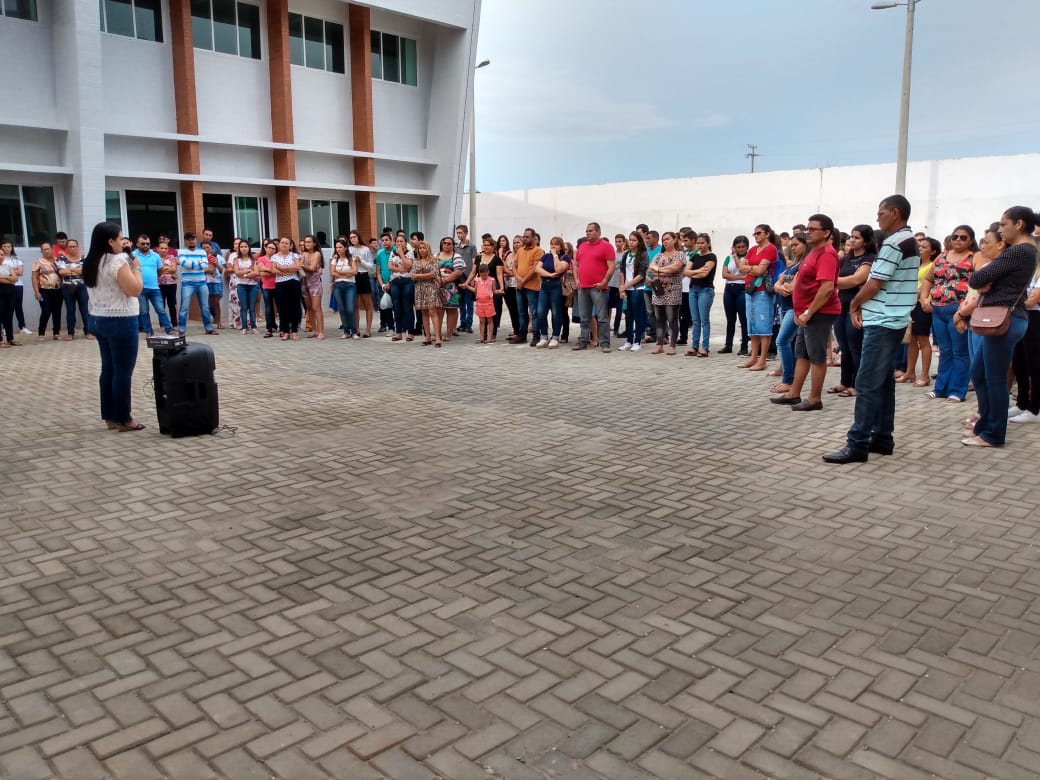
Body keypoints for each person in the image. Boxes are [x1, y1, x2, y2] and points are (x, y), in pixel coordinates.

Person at [823, 195, 920, 463]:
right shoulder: (907, 240)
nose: (877, 218)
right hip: (892, 318)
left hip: (883, 320)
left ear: (895, 213)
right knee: (884, 382)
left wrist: (855, 304)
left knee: (866, 382)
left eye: (881, 213)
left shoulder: (895, 242)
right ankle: (882, 438)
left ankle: (857, 444)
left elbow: (875, 282)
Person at [957, 206, 1038, 447]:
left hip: (1005, 319)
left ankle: (993, 433)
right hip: (1007, 317)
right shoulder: (1025, 251)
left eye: (1003, 224)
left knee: (994, 378)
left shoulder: (1019, 251)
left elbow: (977, 278)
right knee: (979, 373)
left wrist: (985, 281)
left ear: (1019, 224)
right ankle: (984, 424)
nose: (1000, 230)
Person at [770, 215, 841, 411]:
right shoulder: (813, 252)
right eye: (807, 229)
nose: (808, 232)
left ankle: (814, 398)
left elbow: (827, 288)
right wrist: (800, 310)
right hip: (805, 313)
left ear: (826, 233)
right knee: (802, 353)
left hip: (819, 313)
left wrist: (808, 312)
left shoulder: (826, 254)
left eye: (813, 229)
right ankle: (794, 393)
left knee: (817, 356)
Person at [83, 222, 144, 431]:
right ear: (110, 241)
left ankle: (110, 416)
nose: (122, 242)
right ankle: (124, 419)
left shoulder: (91, 260)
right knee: (123, 371)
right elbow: (134, 290)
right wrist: (136, 268)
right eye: (120, 239)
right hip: (121, 320)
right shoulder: (117, 261)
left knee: (108, 368)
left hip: (98, 318)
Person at [920, 225, 977, 403]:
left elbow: (978, 285)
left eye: (963, 237)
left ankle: (957, 390)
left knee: (960, 351)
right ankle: (940, 388)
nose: (958, 240)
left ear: (971, 240)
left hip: (958, 310)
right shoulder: (942, 256)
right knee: (945, 351)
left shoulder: (973, 257)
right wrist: (924, 298)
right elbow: (928, 279)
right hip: (937, 309)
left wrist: (965, 311)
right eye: (955, 236)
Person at [830, 225, 876, 397]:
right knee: (844, 347)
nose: (852, 240)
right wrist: (839, 281)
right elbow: (839, 278)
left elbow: (858, 279)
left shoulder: (870, 258)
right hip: (841, 305)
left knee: (855, 346)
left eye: (857, 237)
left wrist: (833, 282)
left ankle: (857, 384)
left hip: (857, 308)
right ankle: (844, 382)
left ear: (866, 241)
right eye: (851, 236)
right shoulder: (846, 258)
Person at [739, 225, 780, 370]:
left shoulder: (770, 249)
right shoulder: (752, 249)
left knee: (763, 325)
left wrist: (750, 268)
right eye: (754, 233)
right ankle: (753, 357)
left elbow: (761, 270)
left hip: (763, 290)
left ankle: (762, 360)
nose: (756, 236)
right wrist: (753, 269)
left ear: (767, 234)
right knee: (752, 324)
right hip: (750, 289)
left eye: (759, 233)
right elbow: (741, 267)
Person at [572, 222, 616, 353]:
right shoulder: (582, 247)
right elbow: (576, 265)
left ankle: (605, 343)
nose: (588, 233)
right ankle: (583, 341)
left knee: (602, 317)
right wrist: (577, 279)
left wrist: (604, 282)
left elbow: (612, 266)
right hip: (583, 287)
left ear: (599, 232)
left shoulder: (606, 246)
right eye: (587, 231)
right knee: (584, 317)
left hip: (598, 287)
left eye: (591, 230)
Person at [771, 232, 807, 394]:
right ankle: (789, 378)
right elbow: (778, 283)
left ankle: (788, 380)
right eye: (791, 245)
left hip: (795, 307)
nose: (793, 248)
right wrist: (779, 287)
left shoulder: (804, 264)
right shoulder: (793, 263)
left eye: (796, 245)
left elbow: (791, 288)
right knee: (789, 342)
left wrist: (780, 287)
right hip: (784, 306)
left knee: (782, 340)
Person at [1008, 250, 1040, 424]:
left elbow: (1031, 301)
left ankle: (1035, 409)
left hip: (1036, 319)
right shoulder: (1030, 270)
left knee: (1035, 365)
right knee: (1019, 362)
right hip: (1023, 316)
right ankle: (1022, 403)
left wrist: (1013, 301)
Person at [902, 236, 937, 386]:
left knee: (923, 340)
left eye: (924, 247)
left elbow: (927, 286)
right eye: (919, 246)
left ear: (933, 251)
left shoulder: (932, 266)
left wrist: (915, 294)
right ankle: (910, 372)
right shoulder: (916, 264)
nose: (920, 249)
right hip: (910, 304)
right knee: (911, 339)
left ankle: (924, 375)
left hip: (922, 304)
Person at [647, 231, 685, 355]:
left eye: (668, 239)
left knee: (672, 318)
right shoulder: (659, 255)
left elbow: (675, 268)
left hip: (673, 290)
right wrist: (663, 271)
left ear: (674, 239)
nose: (665, 242)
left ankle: (672, 345)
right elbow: (650, 268)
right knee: (659, 318)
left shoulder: (680, 255)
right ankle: (659, 345)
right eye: (663, 240)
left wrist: (658, 270)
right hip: (659, 290)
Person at [177, 232, 217, 336]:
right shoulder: (181, 251)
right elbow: (184, 264)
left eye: (193, 239)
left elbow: (205, 265)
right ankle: (182, 330)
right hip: (187, 283)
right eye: (189, 239)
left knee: (205, 307)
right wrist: (199, 263)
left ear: (196, 240)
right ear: (185, 241)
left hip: (202, 282)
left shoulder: (202, 251)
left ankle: (209, 329)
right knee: (184, 307)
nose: (191, 241)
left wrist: (193, 264)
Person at [133, 234, 174, 336]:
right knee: (144, 312)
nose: (146, 245)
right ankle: (149, 332)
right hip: (140, 288)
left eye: (148, 243)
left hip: (154, 288)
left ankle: (169, 329)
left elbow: (160, 270)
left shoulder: (155, 256)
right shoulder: (133, 255)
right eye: (143, 243)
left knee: (160, 310)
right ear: (137, 244)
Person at [684, 233, 717, 357]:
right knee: (695, 320)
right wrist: (697, 271)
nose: (700, 245)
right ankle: (694, 346)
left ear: (708, 243)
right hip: (693, 289)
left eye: (702, 243)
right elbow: (685, 272)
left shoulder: (711, 257)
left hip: (705, 290)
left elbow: (704, 274)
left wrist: (692, 273)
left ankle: (705, 347)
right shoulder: (695, 256)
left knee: (704, 320)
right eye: (698, 243)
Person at [534, 236, 569, 349]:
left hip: (556, 286)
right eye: (552, 244)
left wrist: (555, 255)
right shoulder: (545, 256)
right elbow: (537, 269)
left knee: (556, 312)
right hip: (544, 285)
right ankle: (544, 336)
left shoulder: (565, 257)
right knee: (540, 312)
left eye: (556, 244)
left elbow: (559, 269)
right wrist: (549, 274)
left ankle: (555, 337)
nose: (553, 246)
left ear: (561, 246)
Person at [511, 228, 543, 345]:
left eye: (527, 237)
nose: (525, 239)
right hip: (520, 287)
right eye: (524, 237)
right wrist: (518, 278)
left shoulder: (538, 251)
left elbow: (535, 269)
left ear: (534, 238)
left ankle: (536, 335)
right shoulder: (520, 251)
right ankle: (522, 335)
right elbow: (514, 265)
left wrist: (523, 280)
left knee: (534, 312)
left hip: (532, 287)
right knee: (521, 312)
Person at [618, 231, 648, 352]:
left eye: (634, 240)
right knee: (628, 315)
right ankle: (629, 340)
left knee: (638, 315)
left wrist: (626, 285)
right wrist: (622, 287)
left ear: (639, 242)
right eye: (630, 240)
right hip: (626, 289)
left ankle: (638, 341)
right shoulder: (626, 254)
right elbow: (622, 271)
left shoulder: (643, 254)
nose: (631, 242)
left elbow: (641, 274)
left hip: (637, 288)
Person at [720, 236, 750, 355]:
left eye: (743, 247)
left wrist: (736, 256)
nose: (740, 249)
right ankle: (728, 345)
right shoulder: (728, 258)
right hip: (729, 289)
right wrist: (739, 277)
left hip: (742, 289)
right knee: (730, 319)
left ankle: (744, 346)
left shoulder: (748, 257)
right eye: (738, 247)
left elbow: (742, 269)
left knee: (743, 319)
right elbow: (724, 274)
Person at [58, 238, 91, 340]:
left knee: (84, 309)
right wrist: (77, 270)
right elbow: (61, 272)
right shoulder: (62, 258)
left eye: (74, 246)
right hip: (68, 286)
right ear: (67, 248)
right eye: (70, 247)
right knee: (70, 309)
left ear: (78, 247)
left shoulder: (84, 258)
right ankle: (70, 333)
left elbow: (85, 271)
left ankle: (88, 332)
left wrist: (70, 269)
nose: (72, 248)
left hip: (82, 286)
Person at [411, 240, 442, 346]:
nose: (422, 250)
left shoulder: (434, 260)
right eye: (420, 248)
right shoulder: (415, 261)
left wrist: (419, 275)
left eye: (424, 248)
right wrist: (424, 275)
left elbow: (433, 274)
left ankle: (437, 338)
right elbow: (412, 276)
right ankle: (427, 337)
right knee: (424, 312)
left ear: (428, 249)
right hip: (420, 288)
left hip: (431, 287)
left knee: (432, 311)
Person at [271, 236, 303, 340]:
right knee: (282, 307)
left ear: (290, 246)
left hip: (293, 282)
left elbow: (297, 267)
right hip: (280, 283)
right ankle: (285, 331)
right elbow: (273, 270)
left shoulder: (295, 255)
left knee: (294, 306)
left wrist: (282, 268)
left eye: (286, 243)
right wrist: (288, 271)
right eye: (282, 243)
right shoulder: (274, 257)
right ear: (279, 244)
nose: (284, 245)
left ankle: (294, 330)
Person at [32, 242, 63, 341]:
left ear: (52, 249)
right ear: (41, 251)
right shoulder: (38, 262)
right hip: (44, 290)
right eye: (44, 249)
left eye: (48, 249)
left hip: (58, 289)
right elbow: (34, 278)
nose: (46, 251)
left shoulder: (59, 261)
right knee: (46, 310)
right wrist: (36, 291)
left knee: (57, 311)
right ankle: (41, 333)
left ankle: (56, 333)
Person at [436, 236, 465, 341]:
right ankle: (438, 333)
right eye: (444, 243)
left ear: (453, 246)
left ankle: (448, 333)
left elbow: (458, 272)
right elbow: (432, 269)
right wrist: (438, 279)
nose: (446, 245)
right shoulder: (436, 255)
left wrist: (445, 280)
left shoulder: (456, 256)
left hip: (452, 287)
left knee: (451, 310)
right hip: (438, 286)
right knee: (438, 310)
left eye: (449, 243)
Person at [385, 235, 414, 341]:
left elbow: (408, 266)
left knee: (407, 306)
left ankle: (410, 332)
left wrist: (401, 254)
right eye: (397, 241)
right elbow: (390, 267)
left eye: (401, 241)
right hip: (395, 281)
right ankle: (398, 332)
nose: (399, 243)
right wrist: (401, 270)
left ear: (405, 243)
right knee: (397, 307)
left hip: (407, 281)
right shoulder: (392, 253)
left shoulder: (410, 253)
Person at [347, 231, 375, 337]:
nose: (353, 239)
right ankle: (356, 329)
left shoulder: (365, 249)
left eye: (354, 237)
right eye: (351, 238)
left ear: (358, 237)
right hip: (353, 276)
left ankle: (368, 330)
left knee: (368, 304)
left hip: (363, 275)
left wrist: (360, 260)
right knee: (355, 304)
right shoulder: (349, 249)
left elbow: (371, 266)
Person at [300, 234, 325, 340]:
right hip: (304, 282)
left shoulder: (317, 254)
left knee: (316, 307)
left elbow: (312, 268)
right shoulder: (304, 254)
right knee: (309, 307)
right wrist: (300, 266)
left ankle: (321, 331)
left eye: (309, 242)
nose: (307, 244)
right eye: (305, 242)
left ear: (314, 243)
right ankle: (314, 330)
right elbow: (300, 267)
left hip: (315, 283)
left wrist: (301, 266)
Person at [1, 241, 29, 335]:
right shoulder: (1, 258)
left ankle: (22, 327)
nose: (6, 248)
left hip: (18, 285)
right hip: (5, 285)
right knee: (6, 307)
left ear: (12, 247)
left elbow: (20, 272)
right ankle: (5, 328)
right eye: (4, 246)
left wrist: (8, 271)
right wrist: (12, 272)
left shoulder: (17, 258)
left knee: (18, 306)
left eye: (8, 246)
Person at [232, 239, 259, 333]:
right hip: (241, 285)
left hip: (253, 285)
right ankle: (244, 327)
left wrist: (244, 274)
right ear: (239, 248)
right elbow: (236, 272)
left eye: (245, 246)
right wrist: (248, 270)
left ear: (249, 248)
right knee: (244, 307)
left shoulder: (253, 260)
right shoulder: (236, 260)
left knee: (252, 307)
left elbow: (256, 272)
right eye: (241, 247)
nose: (243, 248)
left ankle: (253, 327)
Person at [455, 225, 477, 333]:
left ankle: (469, 324)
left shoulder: (472, 246)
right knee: (461, 302)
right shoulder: (456, 247)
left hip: (469, 277)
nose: (459, 235)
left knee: (469, 303)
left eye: (460, 233)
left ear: (466, 233)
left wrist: (472, 278)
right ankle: (462, 323)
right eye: (457, 233)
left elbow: (474, 263)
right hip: (459, 278)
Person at [470, 263, 498, 344]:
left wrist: (500, 291)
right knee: (481, 321)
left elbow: (494, 291)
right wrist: (467, 286)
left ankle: (490, 337)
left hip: (489, 303)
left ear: (488, 272)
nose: (483, 277)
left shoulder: (492, 280)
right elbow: (475, 290)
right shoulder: (477, 280)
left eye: (485, 275)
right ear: (479, 273)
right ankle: (482, 337)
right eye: (482, 275)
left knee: (490, 320)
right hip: (479, 303)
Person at [256, 239, 278, 337]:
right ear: (265, 248)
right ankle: (269, 328)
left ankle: (279, 326)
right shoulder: (261, 259)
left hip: (277, 285)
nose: (271, 250)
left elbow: (279, 270)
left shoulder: (277, 258)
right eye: (269, 247)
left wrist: (267, 270)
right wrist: (273, 270)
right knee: (268, 307)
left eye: (273, 248)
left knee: (279, 307)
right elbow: (261, 271)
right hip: (266, 286)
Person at [201, 240, 224, 329]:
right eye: (203, 248)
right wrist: (207, 270)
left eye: (207, 247)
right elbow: (198, 270)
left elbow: (221, 271)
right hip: (204, 282)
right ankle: (207, 323)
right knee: (206, 303)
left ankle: (219, 322)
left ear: (211, 247)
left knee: (216, 302)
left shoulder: (216, 257)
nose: (206, 249)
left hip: (216, 282)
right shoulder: (200, 258)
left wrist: (216, 264)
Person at [500, 235, 519, 340]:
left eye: (518, 242)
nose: (516, 244)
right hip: (508, 285)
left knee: (518, 309)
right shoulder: (510, 255)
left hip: (518, 285)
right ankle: (515, 329)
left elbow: (518, 272)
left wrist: (509, 272)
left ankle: (520, 330)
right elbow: (504, 268)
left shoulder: (522, 255)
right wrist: (510, 271)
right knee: (511, 309)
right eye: (514, 243)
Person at [0, 244, 18, 346]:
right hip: (1, 293)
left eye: (2, 255)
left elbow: (15, 279)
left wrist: (3, 277)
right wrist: (10, 279)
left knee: (9, 316)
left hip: (10, 292)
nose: (1, 256)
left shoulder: (8, 266)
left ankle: (10, 338)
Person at [157, 240, 178, 325]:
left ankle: (174, 324)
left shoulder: (171, 257)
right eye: (162, 248)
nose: (163, 250)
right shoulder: (156, 258)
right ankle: (162, 325)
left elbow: (174, 269)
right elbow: (156, 270)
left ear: (168, 249)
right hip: (159, 284)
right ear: (158, 249)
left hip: (171, 284)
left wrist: (162, 269)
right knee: (161, 305)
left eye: (165, 248)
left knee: (172, 304)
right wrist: (167, 268)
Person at [611, 234, 626, 336]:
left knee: (619, 308)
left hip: (621, 283)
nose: (618, 243)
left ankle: (616, 328)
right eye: (616, 241)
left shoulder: (626, 254)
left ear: (624, 242)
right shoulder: (612, 253)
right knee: (608, 306)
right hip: (611, 282)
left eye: (620, 241)